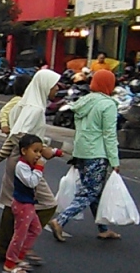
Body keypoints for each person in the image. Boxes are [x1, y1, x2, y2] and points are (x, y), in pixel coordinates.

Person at [0, 68, 64, 261]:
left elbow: (14, 134)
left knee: (12, 204)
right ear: (44, 86)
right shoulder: (35, 109)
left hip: (15, 159)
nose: (57, 89)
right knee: (48, 203)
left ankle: (2, 250)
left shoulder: (24, 104)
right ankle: (21, 245)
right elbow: (19, 136)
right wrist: (43, 150)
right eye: (54, 85)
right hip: (25, 162)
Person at [51, 69, 122, 240]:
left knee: (95, 191)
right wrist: (114, 160)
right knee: (90, 192)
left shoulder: (84, 101)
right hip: (97, 154)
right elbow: (109, 134)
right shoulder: (108, 105)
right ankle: (60, 220)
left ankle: (103, 228)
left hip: (81, 152)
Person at [4, 134, 49, 273]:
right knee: (20, 235)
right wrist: (39, 169)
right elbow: (31, 182)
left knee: (35, 229)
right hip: (22, 205)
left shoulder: (29, 164)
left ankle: (19, 256)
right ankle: (9, 264)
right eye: (35, 151)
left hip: (28, 204)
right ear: (24, 151)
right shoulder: (21, 166)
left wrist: (55, 153)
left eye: (40, 151)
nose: (38, 155)